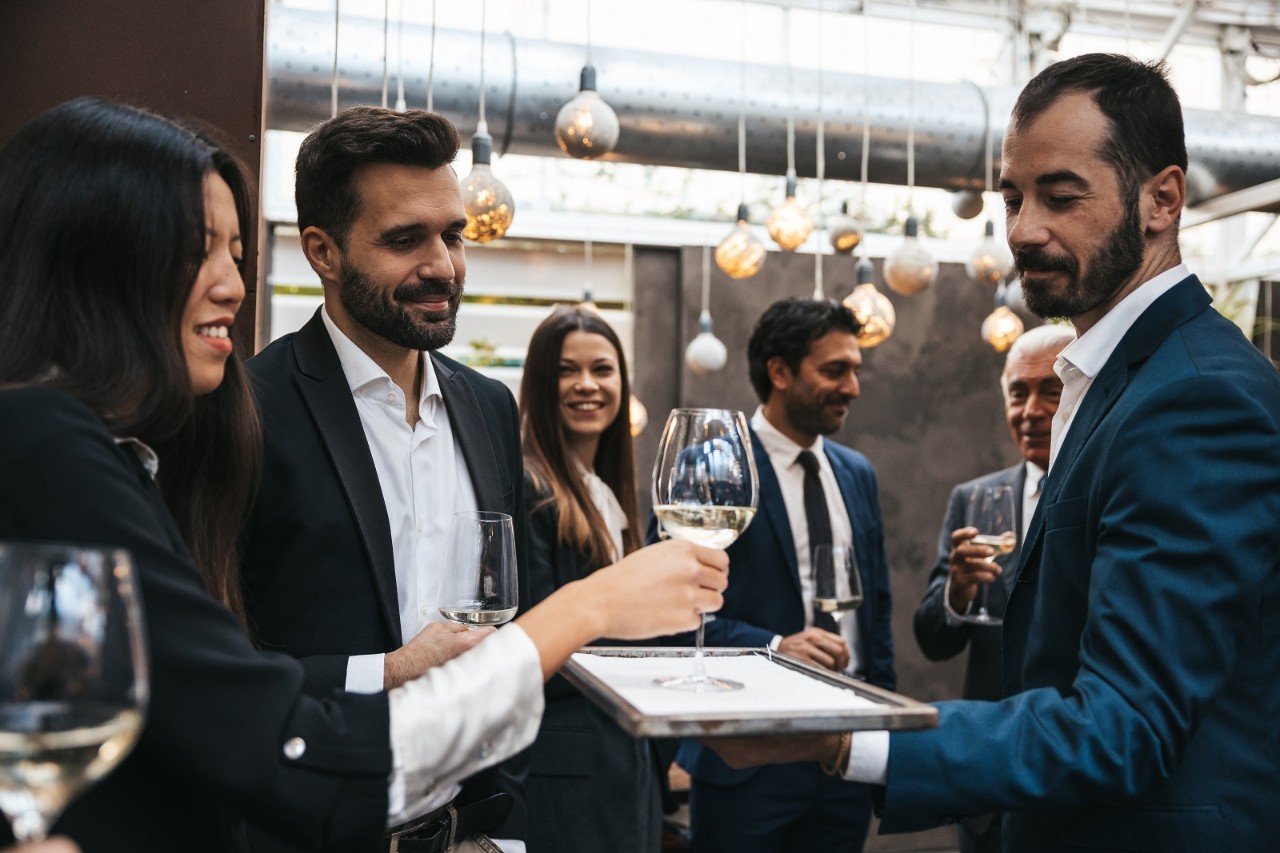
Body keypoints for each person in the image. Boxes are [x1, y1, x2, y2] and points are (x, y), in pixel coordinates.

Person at [0, 96, 728, 853]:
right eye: (195, 250)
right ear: (322, 252)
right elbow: (254, 717)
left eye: (237, 256)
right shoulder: (145, 427)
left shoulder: (485, 406)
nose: (234, 287)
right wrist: (585, 607)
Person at [709, 53, 1280, 851]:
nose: (1020, 230)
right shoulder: (1120, 375)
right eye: (1011, 197)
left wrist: (837, 736)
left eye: (1060, 196)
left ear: (1163, 199)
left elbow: (1123, 724)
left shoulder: (1196, 396)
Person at [237, 106, 533, 852]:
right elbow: (208, 666)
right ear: (323, 252)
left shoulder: (490, 405)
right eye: (406, 239)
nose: (445, 265)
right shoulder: (244, 410)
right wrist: (393, 669)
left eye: (453, 234)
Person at [672, 298, 895, 853]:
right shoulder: (712, 465)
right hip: (747, 758)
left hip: (846, 754)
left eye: (856, 371)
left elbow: (877, 612)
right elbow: (676, 612)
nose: (853, 387)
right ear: (779, 372)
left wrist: (881, 729)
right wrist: (775, 646)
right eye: (834, 370)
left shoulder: (857, 473)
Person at [912, 322, 1073, 853]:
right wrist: (957, 593)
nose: (1030, 410)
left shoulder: (1108, 494)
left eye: (1050, 390)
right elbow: (934, 640)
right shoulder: (973, 499)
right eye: (1017, 392)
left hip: (1075, 777)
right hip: (987, 782)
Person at [518, 306, 665, 852]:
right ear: (538, 383)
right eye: (565, 370)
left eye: (602, 369)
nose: (586, 385)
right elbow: (531, 646)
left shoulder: (607, 492)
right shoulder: (528, 488)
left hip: (624, 758)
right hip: (566, 771)